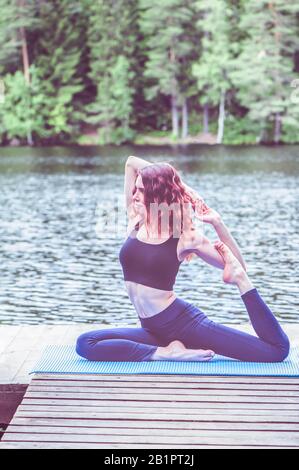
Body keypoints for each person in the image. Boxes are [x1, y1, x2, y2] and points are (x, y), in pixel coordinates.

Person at [76, 155, 290, 363]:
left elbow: (239, 266)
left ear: (157, 194)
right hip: (151, 328)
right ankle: (165, 352)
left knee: (275, 352)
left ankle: (171, 350)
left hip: (182, 323)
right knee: (86, 343)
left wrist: (217, 223)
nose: (134, 195)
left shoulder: (184, 237)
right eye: (136, 189)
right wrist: (185, 188)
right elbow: (131, 162)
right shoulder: (136, 220)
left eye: (141, 190)